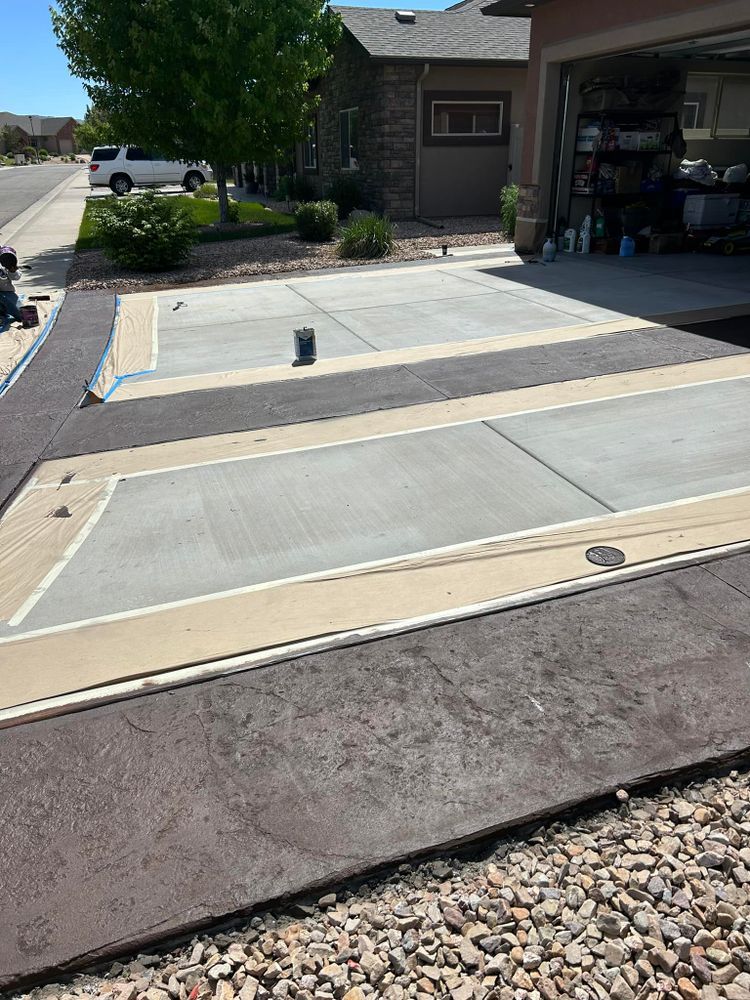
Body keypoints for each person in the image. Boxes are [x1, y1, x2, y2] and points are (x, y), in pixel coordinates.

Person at [0, 255, 23, 325]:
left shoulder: (4, 261)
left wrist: (12, 271)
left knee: (22, 315)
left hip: (7, 294)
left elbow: (16, 277)